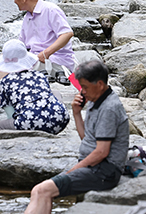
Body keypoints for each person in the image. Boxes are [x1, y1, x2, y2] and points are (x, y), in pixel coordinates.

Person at [24, 60, 128, 214]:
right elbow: (87, 138)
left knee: (43, 190)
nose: (82, 91)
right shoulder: (96, 99)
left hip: (104, 171)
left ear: (99, 84)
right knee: (38, 191)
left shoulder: (109, 109)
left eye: (85, 87)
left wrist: (73, 170)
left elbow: (102, 152)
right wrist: (77, 113)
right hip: (93, 167)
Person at [0, 39, 70, 134]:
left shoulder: (4, 83)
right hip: (61, 119)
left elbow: (10, 114)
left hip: (30, 124)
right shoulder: (39, 75)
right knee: (55, 93)